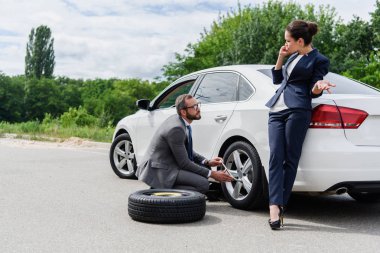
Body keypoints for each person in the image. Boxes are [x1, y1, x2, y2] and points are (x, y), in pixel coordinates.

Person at [265, 20, 335, 230]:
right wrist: (281, 57)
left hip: (298, 110)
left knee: (290, 159)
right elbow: (278, 80)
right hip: (276, 110)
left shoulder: (319, 59)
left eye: (288, 41)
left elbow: (315, 87)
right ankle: (275, 204)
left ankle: (277, 206)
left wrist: (319, 86)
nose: (285, 44)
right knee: (276, 156)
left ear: (300, 40)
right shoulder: (292, 56)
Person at [136, 94, 233, 194]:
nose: (198, 109)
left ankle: (169, 188)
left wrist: (207, 162)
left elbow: (187, 150)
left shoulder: (181, 121)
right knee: (203, 184)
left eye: (198, 105)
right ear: (183, 112)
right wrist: (213, 174)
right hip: (161, 169)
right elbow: (184, 163)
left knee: (205, 168)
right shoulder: (176, 129)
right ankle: (160, 189)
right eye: (194, 107)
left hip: (170, 163)